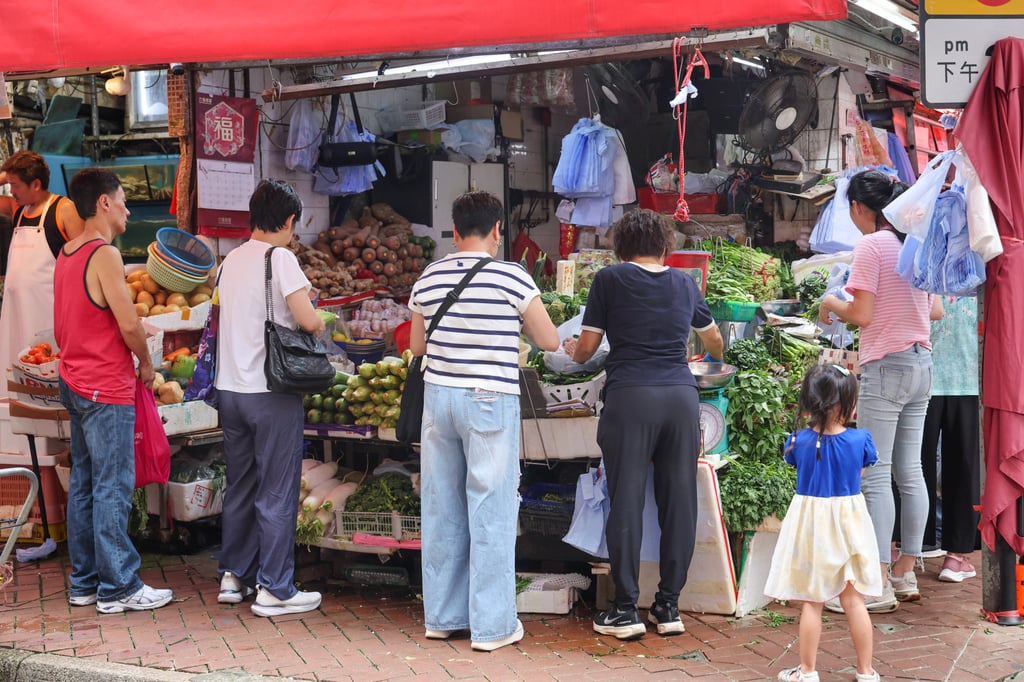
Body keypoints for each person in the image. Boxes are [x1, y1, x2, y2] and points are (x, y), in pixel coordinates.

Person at [408, 191, 559, 652]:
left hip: (439, 399)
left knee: (441, 506)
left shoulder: (429, 276)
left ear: (454, 232)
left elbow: (417, 348)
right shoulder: (511, 277)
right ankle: (492, 627)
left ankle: (443, 617)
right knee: (490, 509)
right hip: (488, 400)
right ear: (498, 230)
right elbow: (549, 339)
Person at [567, 208, 724, 640]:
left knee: (627, 500)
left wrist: (571, 349)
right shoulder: (683, 283)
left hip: (630, 397)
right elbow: (713, 340)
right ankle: (668, 607)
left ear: (621, 246)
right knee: (679, 502)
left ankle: (624, 610)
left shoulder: (609, 280)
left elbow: (585, 349)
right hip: (680, 398)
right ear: (664, 246)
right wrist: (704, 355)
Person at [819, 169, 943, 613]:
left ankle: (875, 585)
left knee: (876, 474)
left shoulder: (871, 246)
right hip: (921, 363)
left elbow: (863, 315)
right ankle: (905, 570)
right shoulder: (913, 242)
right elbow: (938, 309)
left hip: (886, 367)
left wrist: (831, 301)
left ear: (857, 208)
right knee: (911, 472)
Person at [55, 168, 173, 613]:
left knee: (85, 484)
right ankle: (120, 585)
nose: (126, 208)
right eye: (122, 199)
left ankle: (84, 582)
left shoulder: (67, 252)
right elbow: (128, 323)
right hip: (105, 384)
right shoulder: (102, 254)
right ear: (103, 203)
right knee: (112, 486)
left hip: (75, 381)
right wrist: (146, 362)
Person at [214, 179, 325, 617]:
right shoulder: (281, 258)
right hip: (271, 392)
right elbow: (308, 321)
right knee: (277, 490)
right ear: (290, 220)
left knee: (241, 485)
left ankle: (233, 575)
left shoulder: (230, 260)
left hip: (231, 390)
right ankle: (276, 588)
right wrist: (317, 316)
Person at [765, 364, 882, 682]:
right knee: (853, 598)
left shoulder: (797, 441)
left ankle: (806, 671)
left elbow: (797, 461)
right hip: (849, 523)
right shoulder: (861, 440)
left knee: (812, 602)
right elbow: (857, 473)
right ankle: (867, 671)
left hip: (812, 526)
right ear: (845, 405)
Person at [0, 152, 84, 397]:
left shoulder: (63, 210)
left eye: (14, 185)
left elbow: (85, 262)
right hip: (15, 317)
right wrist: (8, 175)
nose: (11, 190)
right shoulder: (19, 210)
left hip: (49, 318)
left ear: (36, 184)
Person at [920, 296, 980, 582]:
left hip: (924, 372)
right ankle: (955, 557)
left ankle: (906, 548)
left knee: (914, 464)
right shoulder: (983, 259)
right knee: (962, 465)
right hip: (967, 372)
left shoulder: (920, 253)